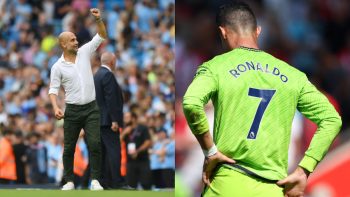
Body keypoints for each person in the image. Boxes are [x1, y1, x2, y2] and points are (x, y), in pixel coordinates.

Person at [182, 2, 342, 197]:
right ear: (257, 31)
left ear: (223, 32)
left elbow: (191, 103)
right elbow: (331, 119)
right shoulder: (293, 75)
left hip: (226, 185)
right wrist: (304, 169)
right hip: (272, 188)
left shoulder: (215, 67)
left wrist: (210, 151)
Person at [48, 8, 107, 190]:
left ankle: (96, 180)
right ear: (63, 45)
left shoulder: (84, 52)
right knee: (69, 148)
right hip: (72, 110)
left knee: (95, 143)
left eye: (75, 39)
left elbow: (101, 36)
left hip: (91, 108)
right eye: (72, 40)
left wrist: (98, 20)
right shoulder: (57, 67)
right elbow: (53, 90)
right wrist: (55, 107)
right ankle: (69, 181)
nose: (76, 41)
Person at [94, 52, 125, 189]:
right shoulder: (108, 75)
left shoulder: (96, 75)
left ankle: (103, 182)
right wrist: (114, 120)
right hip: (108, 121)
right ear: (112, 62)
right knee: (114, 151)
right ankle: (117, 182)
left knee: (103, 153)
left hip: (98, 121)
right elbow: (111, 99)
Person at [120, 112, 152, 190]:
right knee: (131, 185)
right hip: (130, 161)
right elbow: (117, 143)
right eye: (125, 117)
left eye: (127, 117)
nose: (125, 119)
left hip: (143, 160)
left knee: (146, 184)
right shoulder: (125, 129)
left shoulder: (143, 128)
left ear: (133, 118)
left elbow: (148, 142)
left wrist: (137, 151)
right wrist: (124, 133)